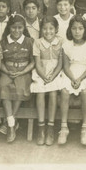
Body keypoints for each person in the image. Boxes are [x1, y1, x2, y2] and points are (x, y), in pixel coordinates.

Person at [58, 15, 86, 146]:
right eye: (74, 28)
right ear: (70, 30)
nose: (77, 31)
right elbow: (66, 66)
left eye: (80, 28)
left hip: (85, 73)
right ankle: (64, 127)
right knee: (64, 91)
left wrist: (80, 78)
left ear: (85, 29)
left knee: (85, 92)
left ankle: (85, 127)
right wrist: (73, 78)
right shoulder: (67, 45)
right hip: (70, 73)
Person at [0, 14, 35, 142]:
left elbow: (33, 62)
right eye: (14, 28)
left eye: (20, 28)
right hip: (7, 71)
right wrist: (7, 71)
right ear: (9, 28)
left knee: (20, 88)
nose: (16, 31)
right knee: (4, 88)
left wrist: (23, 72)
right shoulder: (3, 42)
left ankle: (10, 123)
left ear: (24, 28)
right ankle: (12, 123)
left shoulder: (29, 42)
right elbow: (0, 62)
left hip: (23, 72)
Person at [30, 16, 64, 145]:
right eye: (44, 28)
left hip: (56, 72)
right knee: (40, 92)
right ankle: (41, 128)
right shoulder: (37, 42)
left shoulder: (61, 41)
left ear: (56, 29)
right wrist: (44, 76)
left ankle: (50, 127)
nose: (48, 31)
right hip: (41, 72)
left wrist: (53, 76)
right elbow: (37, 63)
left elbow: (60, 63)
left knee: (53, 92)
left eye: (51, 28)